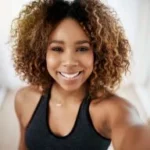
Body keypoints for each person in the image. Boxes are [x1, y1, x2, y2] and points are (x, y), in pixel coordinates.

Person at [10, 0, 150, 150]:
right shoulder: (24, 98)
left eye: (82, 49)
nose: (69, 62)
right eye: (57, 48)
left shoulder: (114, 110)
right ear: (41, 53)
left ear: (98, 54)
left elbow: (133, 131)